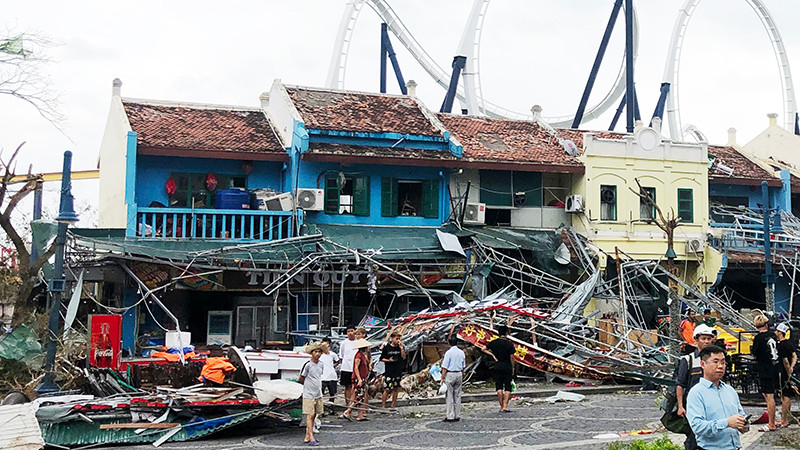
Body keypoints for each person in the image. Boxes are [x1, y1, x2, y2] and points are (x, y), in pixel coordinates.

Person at [686, 345, 748, 450]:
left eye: (723, 362)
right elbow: (697, 427)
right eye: (715, 362)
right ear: (703, 364)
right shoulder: (696, 393)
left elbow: (741, 415)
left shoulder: (730, 390)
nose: (720, 366)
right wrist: (727, 423)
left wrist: (744, 424)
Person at [674, 323, 717, 450]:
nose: (706, 341)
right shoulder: (688, 360)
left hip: (711, 405)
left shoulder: (715, 360)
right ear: (696, 340)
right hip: (693, 407)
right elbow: (680, 384)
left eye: (709, 338)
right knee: (693, 439)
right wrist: (680, 406)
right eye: (703, 338)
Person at [751, 314, 780, 431]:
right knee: (770, 394)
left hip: (764, 368)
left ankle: (771, 423)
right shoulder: (772, 335)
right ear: (766, 324)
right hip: (775, 366)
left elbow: (754, 353)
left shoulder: (758, 338)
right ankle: (773, 419)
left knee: (769, 396)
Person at [482, 324, 516, 413]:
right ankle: (505, 406)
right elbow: (512, 357)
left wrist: (493, 355)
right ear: (506, 332)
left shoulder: (494, 342)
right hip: (507, 366)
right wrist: (513, 366)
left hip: (497, 365)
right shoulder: (509, 343)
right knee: (508, 386)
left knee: (499, 386)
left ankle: (501, 406)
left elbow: (483, 349)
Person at [299, 342, 325, 446]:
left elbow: (319, 376)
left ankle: (307, 435)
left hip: (318, 393)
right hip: (309, 394)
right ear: (312, 353)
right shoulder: (308, 365)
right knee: (310, 415)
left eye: (319, 352)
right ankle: (311, 437)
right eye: (315, 352)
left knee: (315, 414)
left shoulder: (321, 364)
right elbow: (301, 378)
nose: (317, 354)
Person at [441, 335, 466, 422]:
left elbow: (445, 367)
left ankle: (450, 416)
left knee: (449, 395)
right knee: (458, 395)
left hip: (450, 374)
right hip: (459, 373)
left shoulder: (448, 353)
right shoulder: (461, 352)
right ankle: (457, 415)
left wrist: (442, 377)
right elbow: (463, 366)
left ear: (449, 343)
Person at [776, 323, 797, 427]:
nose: (775, 332)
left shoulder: (781, 345)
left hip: (783, 372)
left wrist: (788, 370)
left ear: (780, 332)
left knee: (784, 396)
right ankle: (786, 418)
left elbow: (785, 361)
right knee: (787, 395)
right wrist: (792, 367)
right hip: (788, 372)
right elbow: (794, 356)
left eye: (776, 331)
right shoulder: (789, 343)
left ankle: (784, 420)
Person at [380, 332, 405, 408]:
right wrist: (388, 360)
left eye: (399, 339)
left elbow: (403, 357)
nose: (398, 340)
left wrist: (401, 349)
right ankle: (383, 405)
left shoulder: (400, 347)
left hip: (397, 371)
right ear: (392, 338)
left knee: (396, 389)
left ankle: (393, 405)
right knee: (387, 389)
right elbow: (381, 358)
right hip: (389, 371)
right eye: (396, 339)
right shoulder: (387, 347)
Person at [338, 326, 357, 420]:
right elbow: (341, 356)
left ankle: (353, 406)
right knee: (347, 387)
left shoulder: (358, 342)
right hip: (346, 367)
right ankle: (348, 405)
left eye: (352, 331)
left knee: (355, 387)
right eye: (348, 331)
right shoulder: (343, 343)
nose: (350, 333)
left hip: (356, 368)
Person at [351, 338, 372, 421]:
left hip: (363, 378)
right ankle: (348, 411)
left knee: (361, 397)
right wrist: (359, 379)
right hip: (359, 379)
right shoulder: (358, 356)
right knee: (359, 396)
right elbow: (356, 368)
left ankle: (360, 415)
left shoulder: (363, 356)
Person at [320, 337, 340, 404]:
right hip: (322, 377)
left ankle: (331, 406)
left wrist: (333, 366)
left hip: (332, 376)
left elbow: (338, 361)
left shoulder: (332, 354)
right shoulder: (320, 354)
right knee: (321, 393)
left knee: (332, 394)